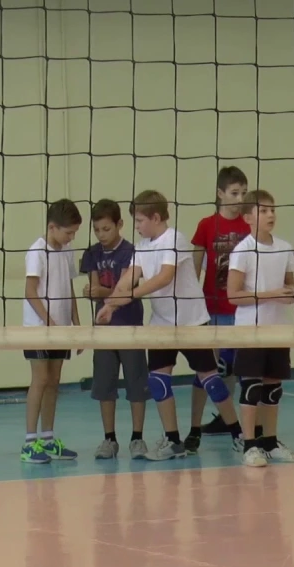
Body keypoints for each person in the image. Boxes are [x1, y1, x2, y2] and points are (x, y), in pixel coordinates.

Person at [97, 190, 244, 461]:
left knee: (211, 381)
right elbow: (129, 279)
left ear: (156, 217)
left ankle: (238, 435)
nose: (137, 226)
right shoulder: (142, 247)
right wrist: (111, 304)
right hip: (162, 324)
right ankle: (174, 441)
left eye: (140, 220)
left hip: (191, 322)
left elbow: (164, 277)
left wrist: (130, 296)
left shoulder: (174, 239)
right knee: (157, 381)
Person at [226, 189, 294, 467]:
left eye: (272, 210)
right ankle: (250, 446)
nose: (271, 215)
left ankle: (270, 443)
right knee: (251, 387)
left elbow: (291, 289)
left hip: (278, 329)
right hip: (251, 330)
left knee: (273, 388)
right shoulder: (242, 251)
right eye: (263, 211)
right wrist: (271, 294)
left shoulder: (285, 248)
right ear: (248, 217)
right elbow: (233, 295)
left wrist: (289, 294)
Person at [187, 166, 251, 450]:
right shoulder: (206, 226)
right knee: (207, 369)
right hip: (210, 308)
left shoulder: (249, 226)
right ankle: (194, 428)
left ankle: (231, 420)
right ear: (220, 193)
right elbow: (192, 271)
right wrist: (190, 308)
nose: (240, 199)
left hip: (242, 310)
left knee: (236, 368)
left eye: (244, 193)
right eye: (234, 193)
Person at [81, 199, 149, 460]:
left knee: (136, 384)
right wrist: (94, 292)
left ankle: (137, 437)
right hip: (104, 329)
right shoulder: (92, 253)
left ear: (120, 224)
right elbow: (95, 289)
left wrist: (102, 292)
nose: (101, 235)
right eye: (97, 230)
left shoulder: (131, 252)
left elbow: (124, 289)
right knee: (104, 385)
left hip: (129, 326)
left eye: (106, 229)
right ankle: (109, 438)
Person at [22, 199, 82, 464]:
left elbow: (69, 288)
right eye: (68, 232)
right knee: (40, 379)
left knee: (54, 381)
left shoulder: (66, 251)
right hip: (38, 329)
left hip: (60, 329)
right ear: (52, 227)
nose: (71, 237)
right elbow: (30, 291)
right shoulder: (37, 251)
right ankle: (29, 442)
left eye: (74, 233)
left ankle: (48, 438)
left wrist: (76, 325)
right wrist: (49, 322)